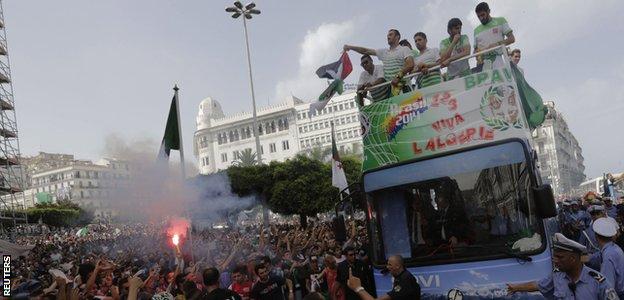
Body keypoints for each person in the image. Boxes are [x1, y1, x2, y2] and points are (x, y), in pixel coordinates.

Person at [506, 233, 618, 299]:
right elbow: (539, 285)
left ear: (573, 259)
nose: (555, 260)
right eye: (554, 256)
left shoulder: (598, 282)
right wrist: (515, 287)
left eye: (560, 257)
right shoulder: (557, 275)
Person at [344, 29, 415, 96]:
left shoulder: (404, 49)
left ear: (397, 37)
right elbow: (365, 51)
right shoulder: (384, 52)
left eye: (390, 34)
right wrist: (350, 47)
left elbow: (410, 64)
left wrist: (398, 77)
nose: (388, 37)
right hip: (391, 92)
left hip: (404, 87)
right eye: (387, 35)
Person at [347, 255, 420, 300]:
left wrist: (358, 288)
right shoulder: (400, 276)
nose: (387, 267)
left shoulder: (405, 280)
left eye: (390, 265)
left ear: (397, 266)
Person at [473, 2, 515, 70]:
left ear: (489, 11)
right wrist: (477, 55)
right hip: (482, 64)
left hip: (498, 60)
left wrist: (497, 44)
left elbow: (512, 39)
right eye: (478, 16)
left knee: (500, 80)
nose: (481, 18)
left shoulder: (500, 21)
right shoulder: (476, 30)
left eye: (482, 15)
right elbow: (475, 50)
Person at [593, 218, 624, 298]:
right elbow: (597, 256)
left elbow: (608, 289)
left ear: (596, 236)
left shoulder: (608, 256)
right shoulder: (614, 248)